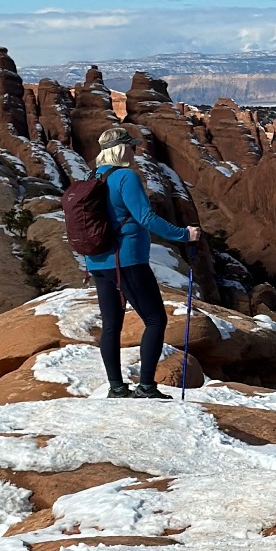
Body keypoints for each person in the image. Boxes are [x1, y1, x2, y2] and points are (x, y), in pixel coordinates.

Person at [86, 127, 200, 399]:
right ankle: (146, 386)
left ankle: (116, 388)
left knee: (111, 325)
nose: (135, 151)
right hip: (127, 261)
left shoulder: (94, 177)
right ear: (123, 149)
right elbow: (145, 218)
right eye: (132, 147)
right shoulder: (126, 177)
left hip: (98, 262)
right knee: (154, 319)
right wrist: (185, 234)